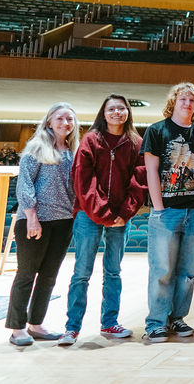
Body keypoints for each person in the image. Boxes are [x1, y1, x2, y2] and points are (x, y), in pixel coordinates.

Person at [60, 94, 146, 346]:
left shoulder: (135, 143)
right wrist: (106, 214)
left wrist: (124, 213)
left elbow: (138, 181)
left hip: (121, 217)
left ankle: (109, 323)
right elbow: (84, 181)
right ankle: (72, 328)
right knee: (81, 272)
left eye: (121, 108)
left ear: (128, 113)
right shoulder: (90, 140)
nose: (117, 112)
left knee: (113, 271)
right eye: (111, 108)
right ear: (103, 112)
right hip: (89, 214)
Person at [6, 102, 79, 347]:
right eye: (60, 118)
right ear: (49, 121)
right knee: (26, 274)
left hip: (63, 222)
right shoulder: (36, 148)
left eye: (70, 119)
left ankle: (36, 324)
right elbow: (24, 184)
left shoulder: (72, 151)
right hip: (35, 221)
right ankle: (17, 328)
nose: (65, 123)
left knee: (48, 277)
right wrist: (32, 217)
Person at [142, 82, 194, 343]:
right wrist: (158, 208)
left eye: (192, 100)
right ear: (174, 102)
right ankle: (156, 322)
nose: (187, 104)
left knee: (188, 272)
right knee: (162, 270)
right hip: (166, 212)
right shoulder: (156, 131)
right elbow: (151, 171)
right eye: (183, 99)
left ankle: (177, 317)